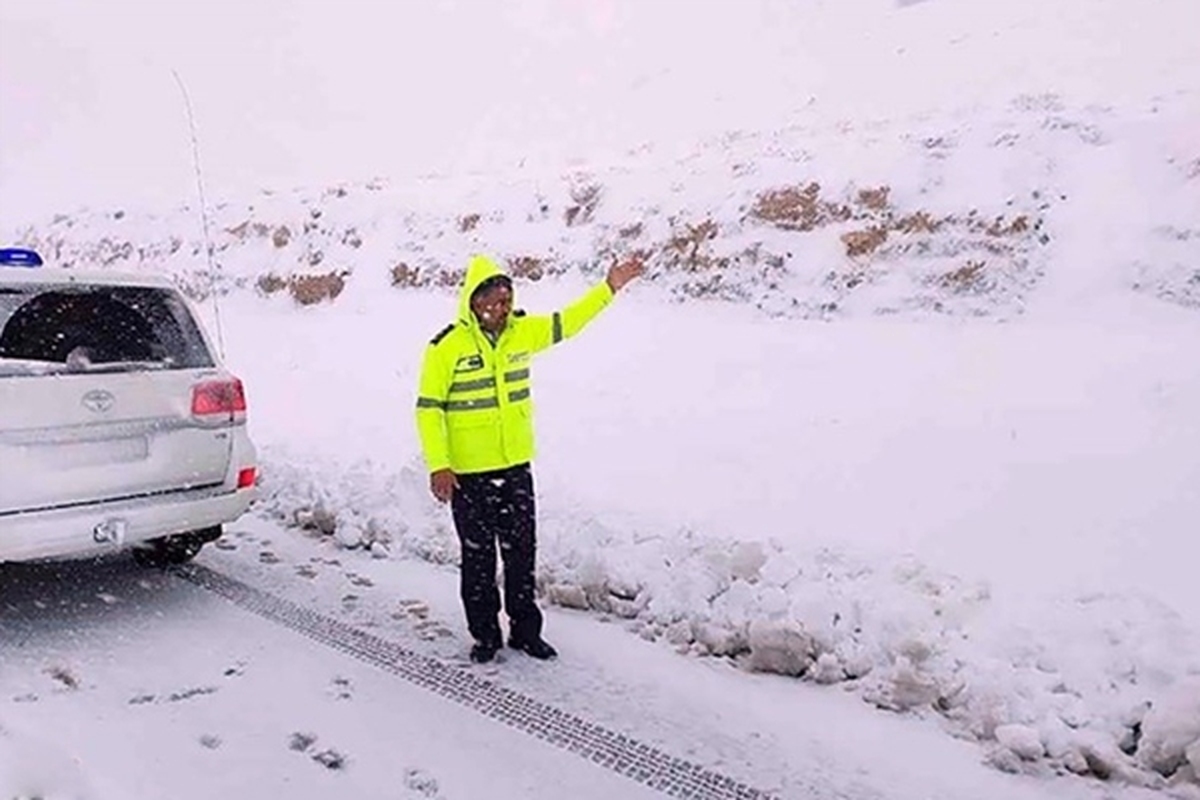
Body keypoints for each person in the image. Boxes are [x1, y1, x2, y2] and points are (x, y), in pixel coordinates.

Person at [415, 253, 645, 663]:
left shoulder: (523, 332)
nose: (502, 309)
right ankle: (485, 635)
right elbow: (429, 409)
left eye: (507, 300)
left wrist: (608, 288)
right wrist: (439, 464)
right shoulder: (445, 348)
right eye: (494, 301)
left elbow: (568, 322)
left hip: (515, 468)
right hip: (468, 477)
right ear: (473, 300)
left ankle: (525, 631)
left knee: (522, 556)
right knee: (479, 561)